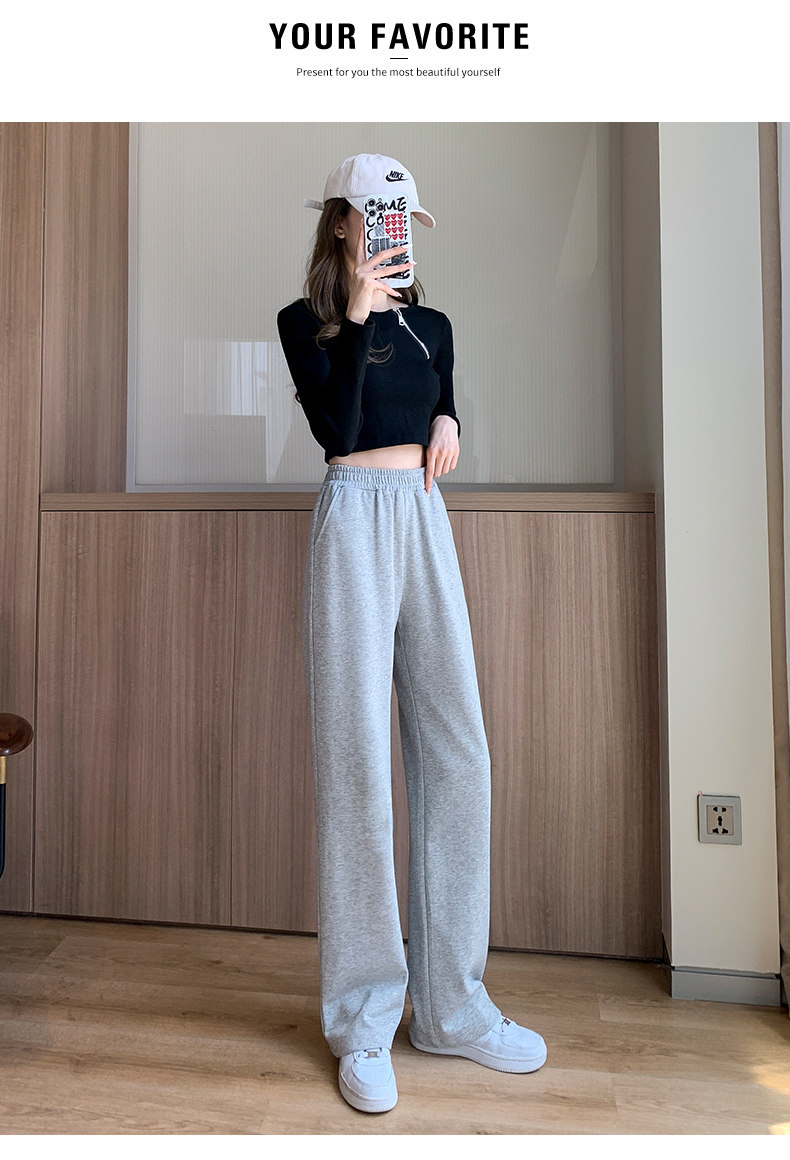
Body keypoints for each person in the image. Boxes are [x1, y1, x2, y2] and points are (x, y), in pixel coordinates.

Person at [276, 154, 547, 1115]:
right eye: (377, 217)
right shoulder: (304, 324)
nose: (392, 234)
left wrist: (450, 415)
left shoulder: (433, 326)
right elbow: (337, 427)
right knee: (356, 759)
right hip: (353, 514)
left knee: (458, 750)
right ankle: (363, 1020)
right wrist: (355, 314)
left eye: (402, 220)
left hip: (424, 520)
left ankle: (452, 1008)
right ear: (343, 223)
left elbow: (437, 396)